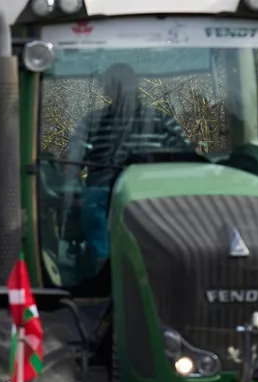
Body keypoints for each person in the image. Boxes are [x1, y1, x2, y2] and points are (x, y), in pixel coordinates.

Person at [65, 63, 191, 272]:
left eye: (123, 85)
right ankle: (104, 266)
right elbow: (74, 162)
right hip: (104, 191)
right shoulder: (93, 123)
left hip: (152, 191)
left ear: (134, 87)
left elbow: (187, 160)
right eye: (114, 85)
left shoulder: (162, 122)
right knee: (93, 201)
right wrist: (71, 188)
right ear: (108, 90)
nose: (120, 91)